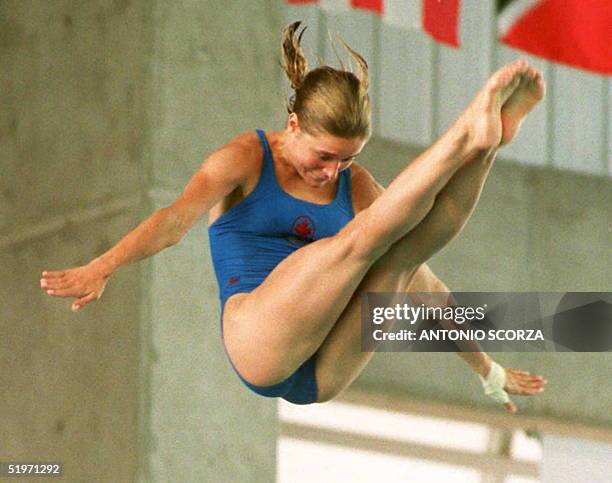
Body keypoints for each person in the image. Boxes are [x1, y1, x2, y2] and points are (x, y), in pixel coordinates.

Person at [40, 21, 547, 411]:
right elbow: (174, 221)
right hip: (258, 343)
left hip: (322, 376)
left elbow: (428, 287)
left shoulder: (356, 185)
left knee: (406, 256)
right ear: (293, 124)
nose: (332, 172)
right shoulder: (245, 157)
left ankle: (488, 145)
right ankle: (465, 133)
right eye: (323, 156)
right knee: (358, 245)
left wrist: (486, 370)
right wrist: (102, 265)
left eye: (347, 159)